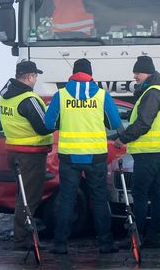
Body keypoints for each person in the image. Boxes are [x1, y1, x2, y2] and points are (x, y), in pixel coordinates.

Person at [44, 58, 124, 255]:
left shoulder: (61, 95)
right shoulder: (101, 95)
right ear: (90, 74)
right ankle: (105, 243)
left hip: (69, 156)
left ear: (73, 73)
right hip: (96, 156)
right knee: (99, 199)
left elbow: (47, 124)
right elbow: (115, 123)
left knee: (67, 199)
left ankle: (60, 244)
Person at [113, 57, 160, 249]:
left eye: (138, 73)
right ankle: (153, 237)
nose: (135, 77)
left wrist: (122, 138)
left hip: (149, 152)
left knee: (140, 194)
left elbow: (143, 123)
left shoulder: (152, 92)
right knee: (155, 193)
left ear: (147, 72)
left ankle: (136, 236)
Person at [0, 60, 54, 251]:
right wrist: (58, 120)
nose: (36, 79)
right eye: (35, 76)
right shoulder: (29, 99)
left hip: (13, 150)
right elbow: (43, 126)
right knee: (29, 197)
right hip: (30, 154)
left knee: (23, 196)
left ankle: (25, 236)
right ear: (30, 77)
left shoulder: (6, 97)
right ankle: (23, 240)